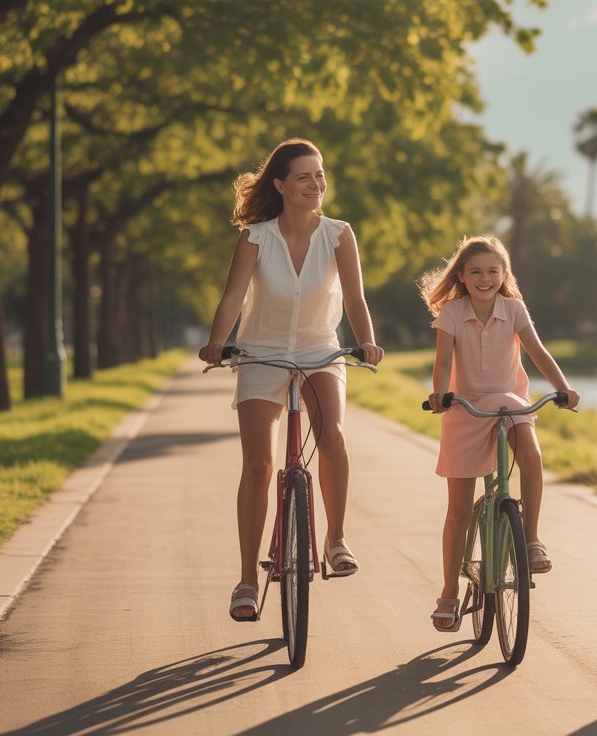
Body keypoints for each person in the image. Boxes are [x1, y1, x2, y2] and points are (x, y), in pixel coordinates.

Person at [199, 138, 384, 621]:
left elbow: (357, 300)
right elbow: (232, 298)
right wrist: (217, 342)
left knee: (334, 438)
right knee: (259, 464)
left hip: (321, 351)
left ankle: (336, 540)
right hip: (260, 353)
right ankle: (245, 579)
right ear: (280, 185)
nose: (315, 184)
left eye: (320, 175)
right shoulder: (255, 238)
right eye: (304, 177)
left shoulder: (339, 235)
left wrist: (367, 341)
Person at [419, 235, 580, 632]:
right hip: (464, 406)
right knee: (458, 509)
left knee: (532, 451)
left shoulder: (514, 309)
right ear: (461, 275)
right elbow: (442, 362)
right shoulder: (453, 313)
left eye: (493, 271)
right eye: (475, 271)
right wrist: (440, 393)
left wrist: (563, 387)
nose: (485, 278)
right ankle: (448, 591)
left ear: (504, 275)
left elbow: (539, 352)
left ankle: (532, 538)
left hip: (508, 401)